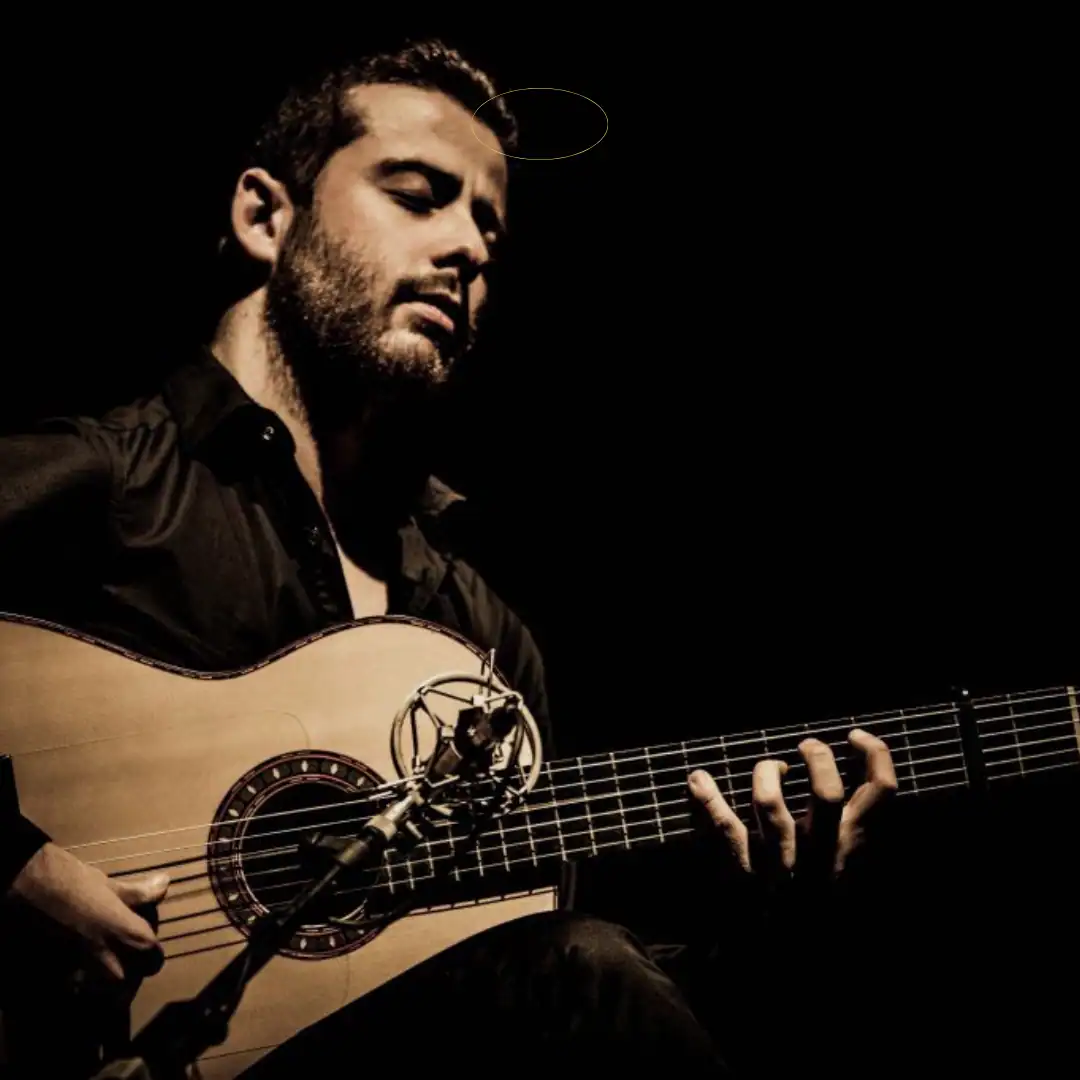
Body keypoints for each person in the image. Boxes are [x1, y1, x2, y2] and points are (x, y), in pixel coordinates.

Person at [0, 38, 898, 1077]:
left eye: (488, 227)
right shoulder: (112, 480)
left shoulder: (474, 635)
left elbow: (514, 987)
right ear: (264, 217)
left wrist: (764, 929)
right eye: (420, 195)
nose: (469, 246)